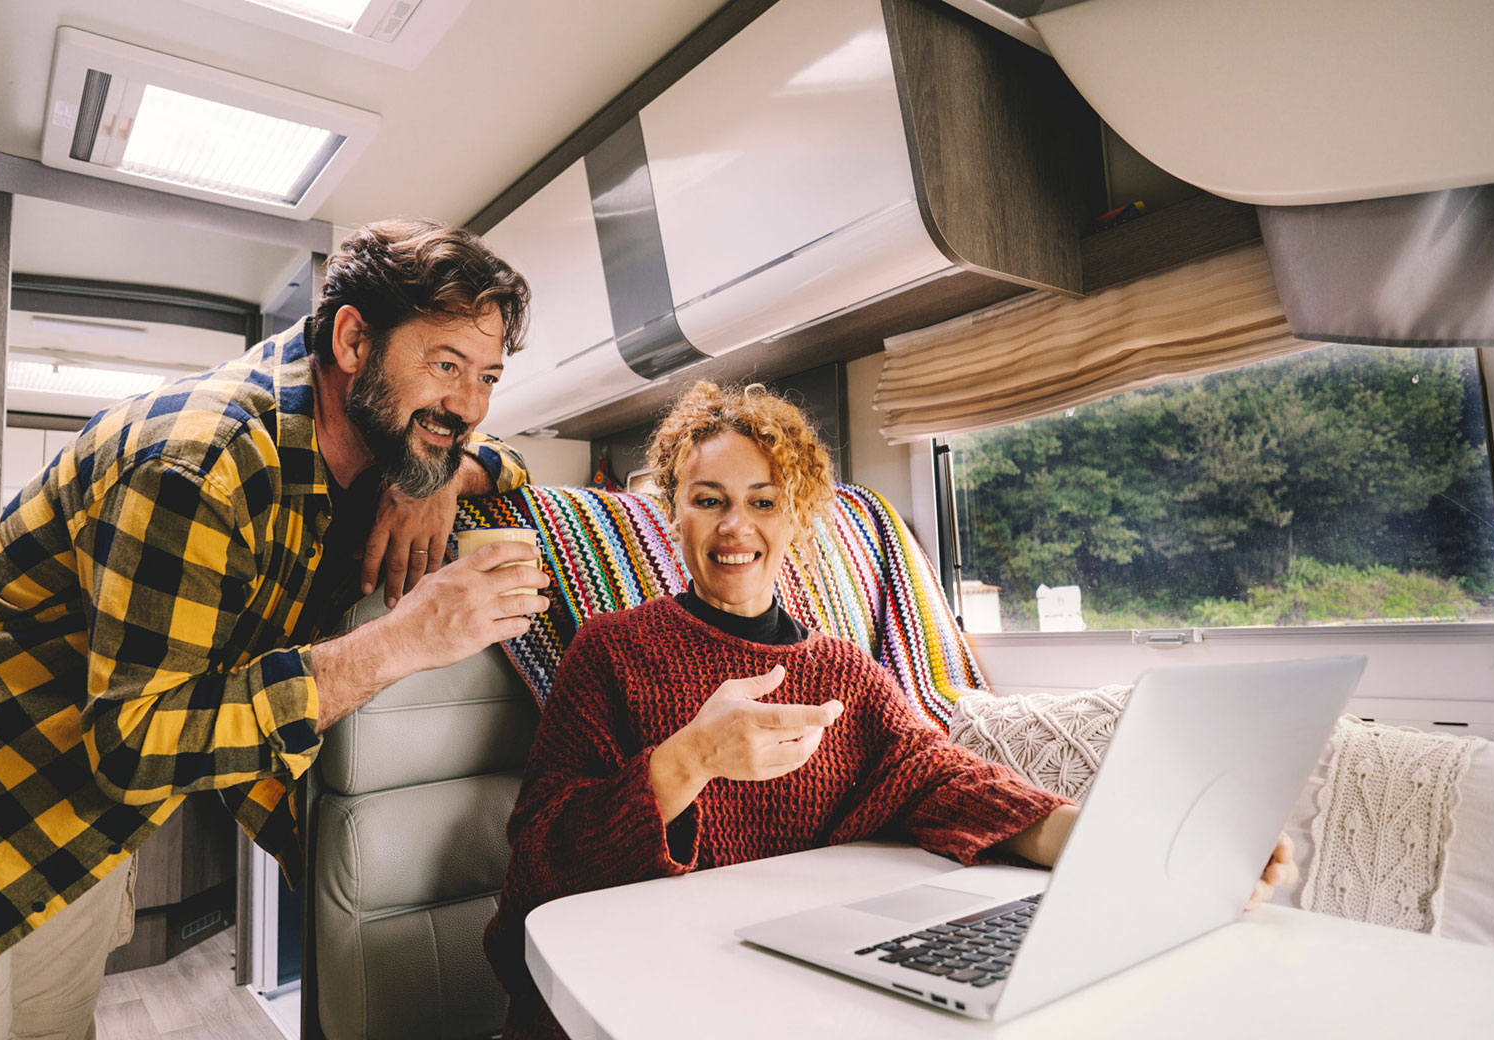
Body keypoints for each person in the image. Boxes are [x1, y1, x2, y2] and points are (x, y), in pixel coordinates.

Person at [482, 382, 1297, 1039]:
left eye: (763, 501)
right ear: (674, 512)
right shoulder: (611, 651)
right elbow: (538, 866)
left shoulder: (843, 670)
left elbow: (953, 782)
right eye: (708, 499)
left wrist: (1151, 848)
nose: (735, 526)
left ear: (799, 518)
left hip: (796, 993)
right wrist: (686, 761)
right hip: (646, 994)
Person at [0, 219, 553, 1037]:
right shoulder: (201, 464)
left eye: (487, 375)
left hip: (74, 818)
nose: (468, 403)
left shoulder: (358, 446)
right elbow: (137, 741)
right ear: (353, 340)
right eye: (446, 365)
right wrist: (403, 640)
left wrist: (442, 473)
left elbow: (501, 452)